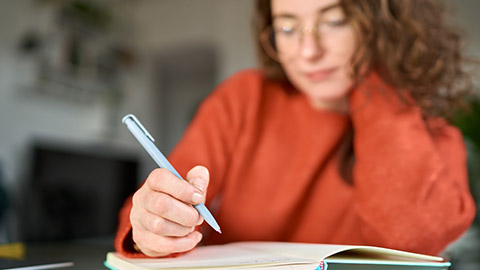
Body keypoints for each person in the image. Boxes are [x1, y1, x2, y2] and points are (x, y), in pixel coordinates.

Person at [115, 0, 476, 258]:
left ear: (384, 24)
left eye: (335, 21)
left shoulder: (434, 134)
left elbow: (408, 241)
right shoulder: (245, 97)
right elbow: (153, 208)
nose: (307, 51)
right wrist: (156, 224)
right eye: (287, 26)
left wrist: (380, 83)